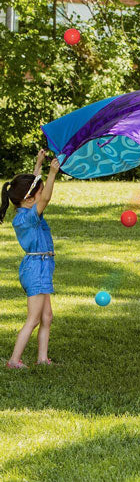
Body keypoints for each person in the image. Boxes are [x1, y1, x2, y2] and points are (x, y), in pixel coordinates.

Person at [0, 150, 60, 368]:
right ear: (29, 199)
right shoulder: (27, 218)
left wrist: (39, 164)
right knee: (34, 319)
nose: (41, 196)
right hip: (36, 268)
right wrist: (52, 173)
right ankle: (14, 360)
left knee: (47, 317)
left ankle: (42, 359)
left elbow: (34, 190)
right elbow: (45, 197)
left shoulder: (27, 208)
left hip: (41, 266)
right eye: (38, 193)